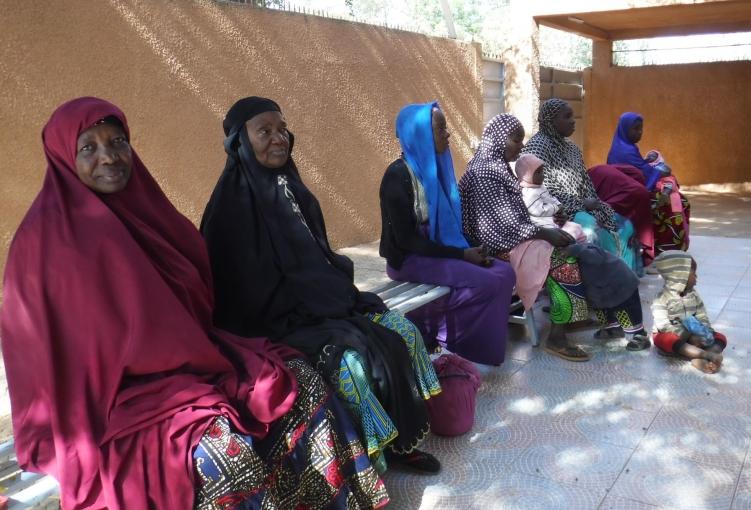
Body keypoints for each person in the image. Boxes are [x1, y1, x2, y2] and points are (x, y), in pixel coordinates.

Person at [0, 97, 389, 509]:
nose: (109, 157)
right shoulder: (43, 244)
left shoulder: (145, 214)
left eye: (117, 142)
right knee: (219, 451)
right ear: (64, 156)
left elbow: (196, 298)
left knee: (300, 382)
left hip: (191, 362)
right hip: (110, 400)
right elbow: (51, 361)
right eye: (88, 148)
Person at [201, 97, 441, 475]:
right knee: (352, 363)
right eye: (264, 131)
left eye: (282, 129)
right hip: (273, 323)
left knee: (402, 330)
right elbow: (241, 297)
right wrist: (317, 306)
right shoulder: (228, 212)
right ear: (239, 142)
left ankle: (400, 441)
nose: (279, 138)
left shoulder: (294, 190)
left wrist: (337, 297)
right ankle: (369, 464)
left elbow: (324, 259)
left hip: (324, 307)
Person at [460, 113, 650, 361]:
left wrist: (548, 227)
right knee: (564, 259)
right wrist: (544, 233)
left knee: (583, 249)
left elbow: (517, 218)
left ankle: (609, 317)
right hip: (496, 247)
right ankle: (558, 335)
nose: (521, 145)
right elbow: (495, 229)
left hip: (515, 237)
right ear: (498, 139)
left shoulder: (496, 169)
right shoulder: (486, 173)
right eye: (516, 140)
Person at [379, 101, 516, 367]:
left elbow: (449, 225)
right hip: (410, 259)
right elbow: (407, 240)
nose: (447, 134)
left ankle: (441, 328)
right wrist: (461, 255)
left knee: (505, 273)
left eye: (445, 127)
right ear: (419, 134)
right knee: (486, 283)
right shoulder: (398, 176)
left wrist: (470, 250)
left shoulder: (436, 170)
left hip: (439, 251)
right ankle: (442, 332)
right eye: (440, 128)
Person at [521, 99, 638, 271]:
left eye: (572, 116)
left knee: (625, 226)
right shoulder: (537, 148)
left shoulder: (572, 149)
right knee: (594, 229)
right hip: (557, 211)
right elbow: (541, 191)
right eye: (567, 117)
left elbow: (586, 183)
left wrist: (596, 206)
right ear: (551, 121)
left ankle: (626, 276)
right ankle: (605, 280)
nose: (573, 120)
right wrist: (582, 206)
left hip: (582, 205)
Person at [606, 112, 691, 254]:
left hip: (634, 188)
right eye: (636, 129)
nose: (640, 132)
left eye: (641, 128)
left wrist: (650, 163)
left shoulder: (626, 146)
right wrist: (660, 170)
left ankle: (669, 245)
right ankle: (667, 248)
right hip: (629, 195)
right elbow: (642, 175)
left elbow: (638, 169)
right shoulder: (625, 151)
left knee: (679, 199)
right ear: (625, 129)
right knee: (672, 204)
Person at [652, 251, 727, 373]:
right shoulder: (661, 298)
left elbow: (702, 315)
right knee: (665, 339)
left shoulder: (694, 295)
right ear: (679, 276)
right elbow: (663, 325)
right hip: (676, 337)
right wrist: (687, 336)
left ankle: (698, 358)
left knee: (720, 337)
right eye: (693, 274)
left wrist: (704, 331)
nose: (697, 277)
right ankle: (706, 355)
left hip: (696, 338)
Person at [587, 163, 654, 269]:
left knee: (621, 235)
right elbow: (637, 173)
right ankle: (638, 265)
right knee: (636, 233)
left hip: (626, 196)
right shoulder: (601, 168)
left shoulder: (589, 177)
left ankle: (628, 268)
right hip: (640, 192)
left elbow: (592, 203)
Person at [514, 153, 586, 242]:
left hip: (552, 220)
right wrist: (556, 208)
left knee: (577, 227)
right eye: (538, 172)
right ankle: (569, 249)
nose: (543, 175)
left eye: (542, 171)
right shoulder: (528, 192)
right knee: (566, 236)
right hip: (543, 224)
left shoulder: (539, 187)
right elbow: (538, 211)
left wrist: (559, 206)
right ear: (526, 176)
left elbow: (551, 198)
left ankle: (580, 246)